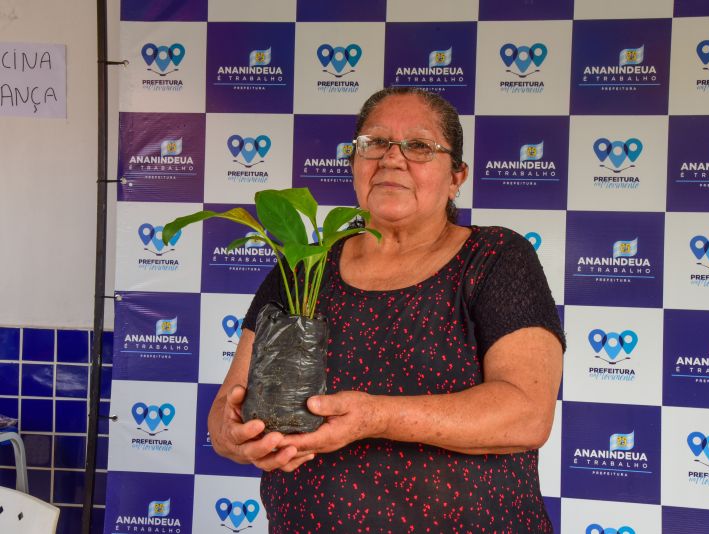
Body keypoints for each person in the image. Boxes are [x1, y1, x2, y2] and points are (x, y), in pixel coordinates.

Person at [208, 87, 566, 532]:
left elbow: (527, 414)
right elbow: (228, 406)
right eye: (374, 143)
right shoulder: (304, 267)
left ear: (457, 177)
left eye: (419, 146)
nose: (392, 159)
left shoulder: (493, 257)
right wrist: (235, 437)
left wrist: (374, 417)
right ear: (355, 164)